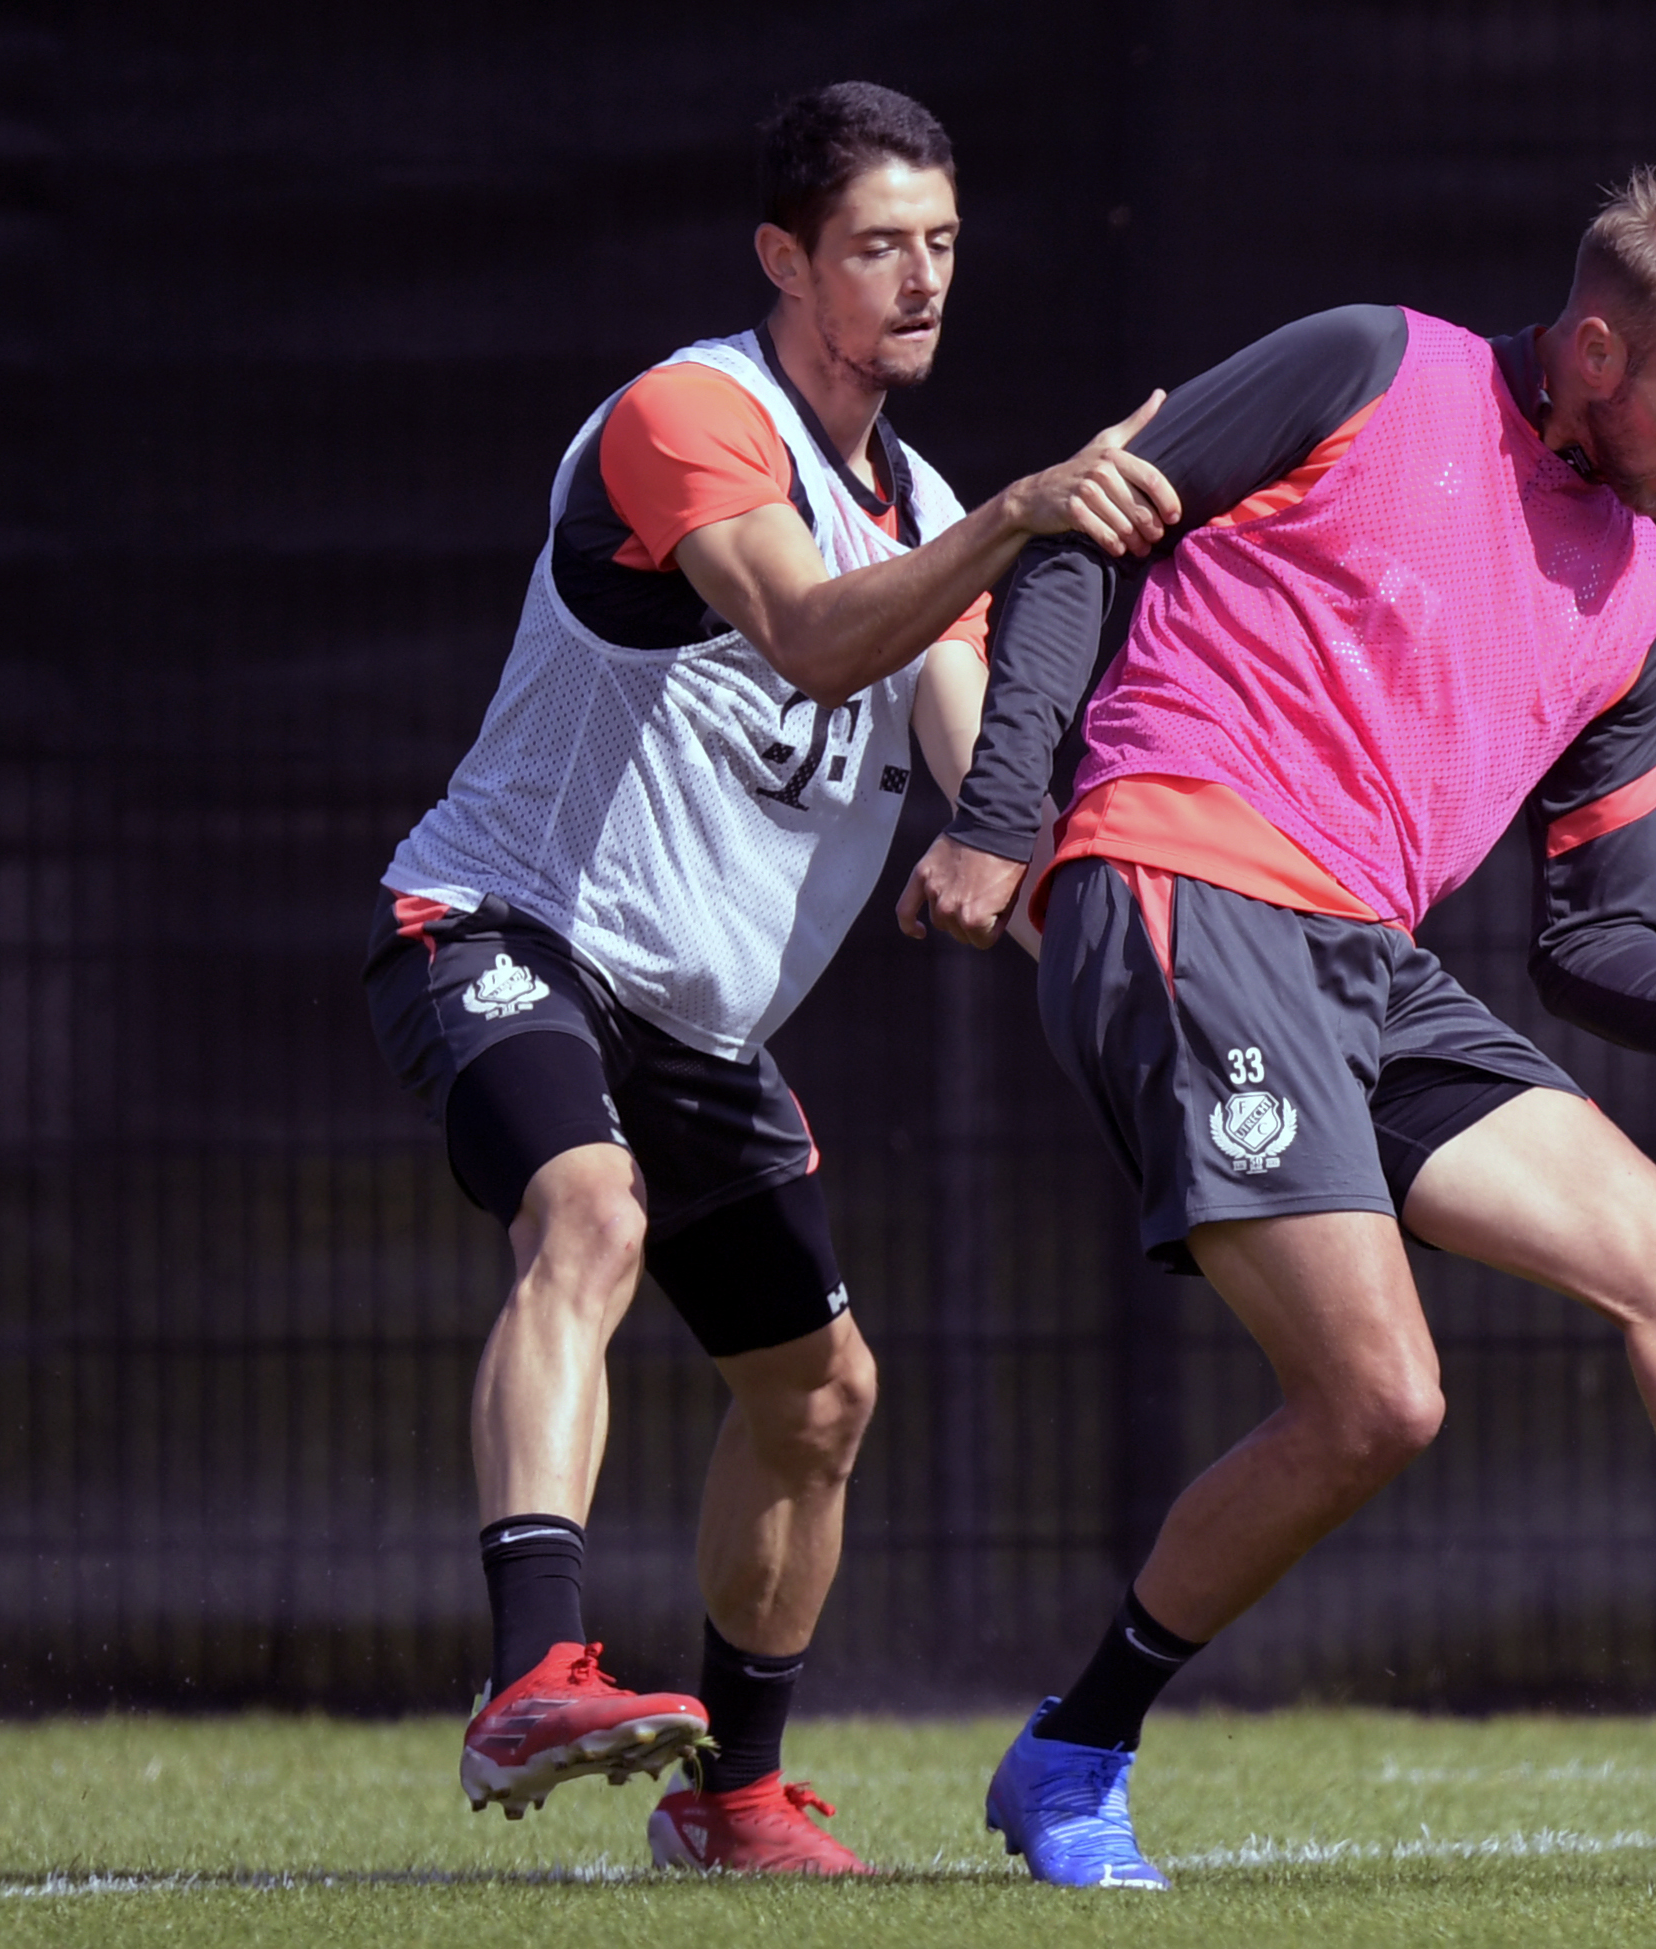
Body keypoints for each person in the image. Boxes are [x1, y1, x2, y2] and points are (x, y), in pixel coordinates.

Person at [901, 165, 1656, 1888]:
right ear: (1597, 351)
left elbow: (1594, 946)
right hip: (1188, 882)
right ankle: (1079, 1751)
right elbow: (1075, 527)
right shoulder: (1372, 363)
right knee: (1379, 1396)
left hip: (1365, 956)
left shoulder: (1652, 610)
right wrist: (999, 812)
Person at [364, 82, 1176, 1876]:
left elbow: (984, 792)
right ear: (783, 259)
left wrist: (1153, 960)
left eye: (942, 243)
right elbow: (814, 639)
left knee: (822, 1394)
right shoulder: (691, 416)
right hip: (505, 924)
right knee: (590, 1212)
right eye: (878, 245)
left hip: (700, 1026)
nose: (922, 278)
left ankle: (730, 1797)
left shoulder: (930, 509)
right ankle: (531, 1671)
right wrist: (1025, 514)